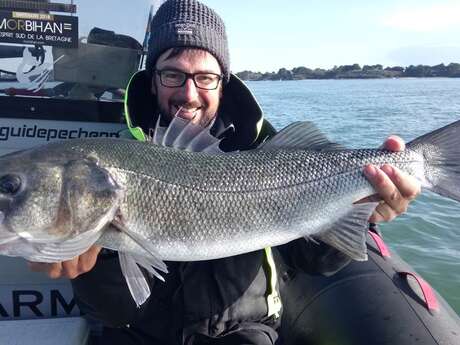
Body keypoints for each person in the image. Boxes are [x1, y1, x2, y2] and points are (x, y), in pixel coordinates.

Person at [28, 1, 421, 344]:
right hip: (139, 335)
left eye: (205, 77)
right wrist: (88, 268)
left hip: (244, 335)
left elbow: (312, 261)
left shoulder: (265, 151)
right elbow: (115, 312)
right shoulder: (112, 159)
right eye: (172, 74)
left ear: (223, 83)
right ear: (152, 82)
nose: (188, 92)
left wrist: (365, 211)